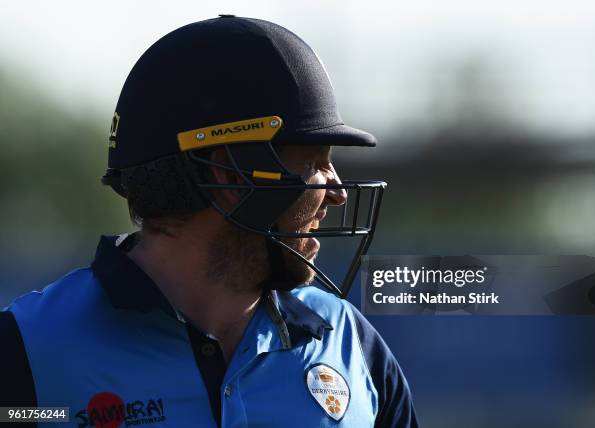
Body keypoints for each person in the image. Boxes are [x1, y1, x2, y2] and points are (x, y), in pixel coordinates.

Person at [0, 16, 418, 427]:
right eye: (316, 162)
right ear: (231, 173)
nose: (338, 191)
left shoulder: (351, 344)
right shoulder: (26, 350)